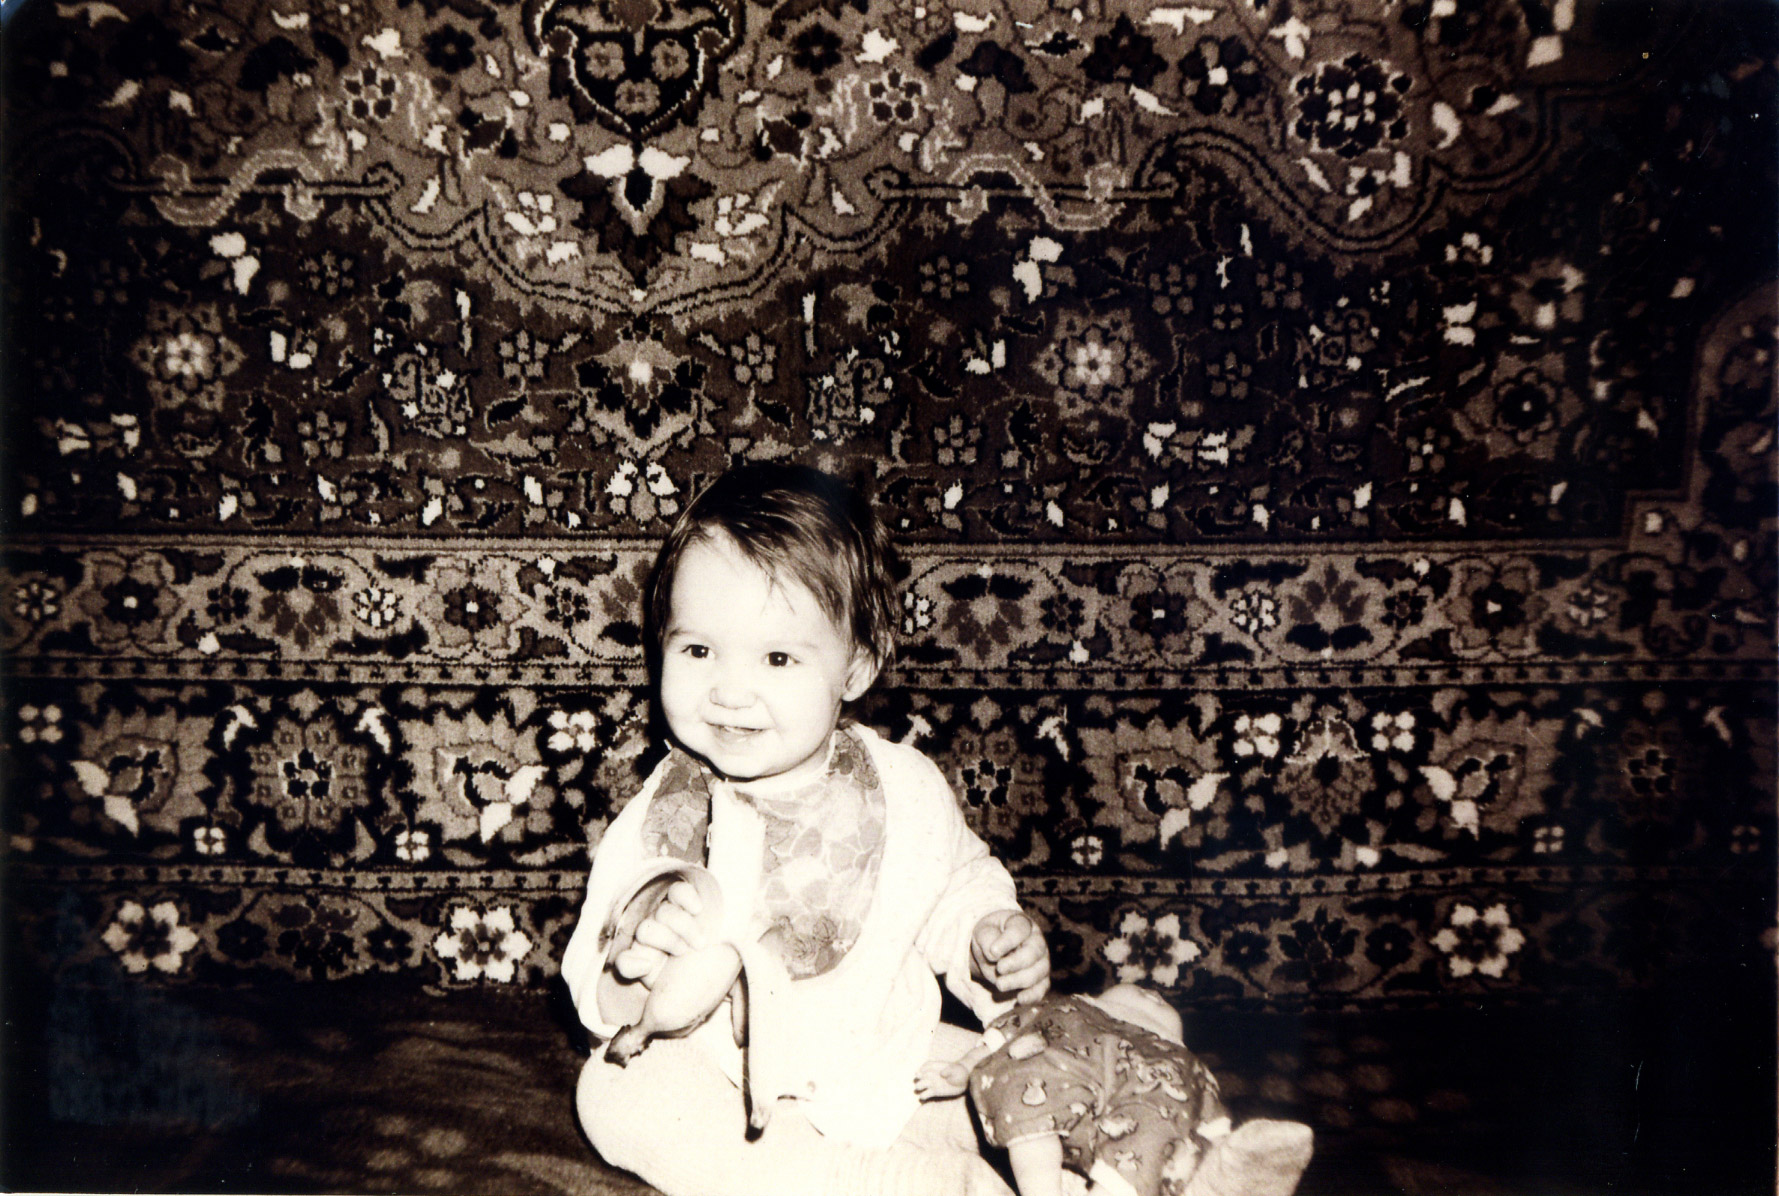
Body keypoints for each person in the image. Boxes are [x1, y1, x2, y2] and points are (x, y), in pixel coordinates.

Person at [561, 462, 1051, 1196]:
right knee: (612, 1094)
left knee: (1023, 1077)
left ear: (855, 668)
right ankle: (871, 1181)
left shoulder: (904, 789)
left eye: (777, 657)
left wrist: (989, 940)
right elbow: (598, 984)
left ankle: (1154, 1164)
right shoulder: (664, 810)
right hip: (719, 1077)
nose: (729, 691)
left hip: (885, 1061)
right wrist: (630, 968)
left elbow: (955, 883)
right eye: (697, 650)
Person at [914, 984, 1313, 1196]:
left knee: (1154, 1134)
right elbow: (1006, 1029)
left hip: (1148, 1094)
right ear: (1091, 997)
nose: (1154, 994)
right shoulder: (1067, 1007)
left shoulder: (1182, 1062)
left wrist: (1223, 1146)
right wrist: (963, 1067)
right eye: (1136, 988)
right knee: (1023, 1086)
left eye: (1163, 1007)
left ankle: (1217, 1177)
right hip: (1059, 1071)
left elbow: (1207, 1110)